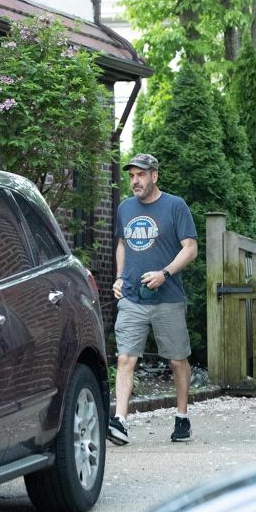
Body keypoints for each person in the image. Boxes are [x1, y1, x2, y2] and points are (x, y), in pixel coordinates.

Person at [108, 153, 198, 445]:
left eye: (141, 175)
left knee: (177, 360)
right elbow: (122, 243)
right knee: (125, 358)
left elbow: (190, 248)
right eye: (132, 175)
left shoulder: (175, 206)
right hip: (132, 296)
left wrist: (165, 273)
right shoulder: (124, 208)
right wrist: (119, 277)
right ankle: (120, 421)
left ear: (154, 176)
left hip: (168, 297)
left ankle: (182, 417)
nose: (135, 180)